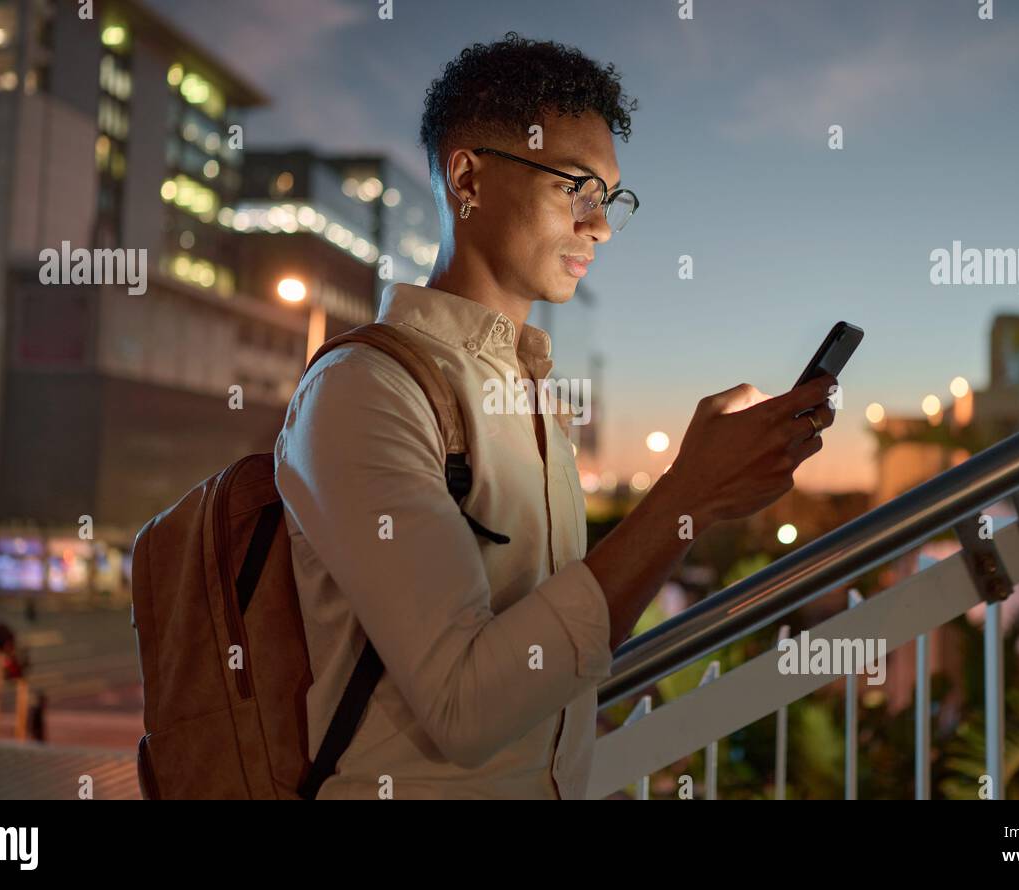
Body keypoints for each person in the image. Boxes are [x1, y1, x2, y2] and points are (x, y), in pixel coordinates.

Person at [273, 32, 835, 800]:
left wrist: (694, 509)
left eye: (610, 198)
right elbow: (464, 706)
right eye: (576, 187)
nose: (600, 226)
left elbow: (560, 640)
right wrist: (684, 498)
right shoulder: (366, 389)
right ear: (467, 176)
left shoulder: (532, 396)